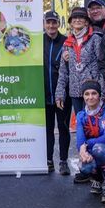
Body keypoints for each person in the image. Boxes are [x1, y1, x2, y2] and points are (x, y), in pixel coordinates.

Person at [55, 7, 103, 115]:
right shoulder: (67, 43)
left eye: (81, 17)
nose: (77, 20)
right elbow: (63, 72)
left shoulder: (95, 39)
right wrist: (59, 94)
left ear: (86, 21)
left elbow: (102, 66)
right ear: (71, 23)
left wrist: (103, 92)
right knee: (81, 125)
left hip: (93, 92)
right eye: (74, 18)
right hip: (75, 92)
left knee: (95, 126)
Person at [76, 80, 105, 202]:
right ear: (83, 96)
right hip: (92, 149)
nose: (90, 97)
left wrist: (86, 145)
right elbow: (80, 138)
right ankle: (97, 180)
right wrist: (82, 152)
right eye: (86, 94)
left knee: (98, 149)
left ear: (99, 95)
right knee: (84, 167)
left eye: (94, 93)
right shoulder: (80, 115)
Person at [43, 10, 71, 175]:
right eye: (48, 22)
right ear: (44, 23)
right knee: (47, 129)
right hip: (44, 94)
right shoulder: (39, 42)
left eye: (54, 22)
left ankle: (63, 161)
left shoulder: (67, 42)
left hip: (62, 95)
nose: (51, 26)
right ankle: (48, 160)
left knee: (63, 128)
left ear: (58, 24)